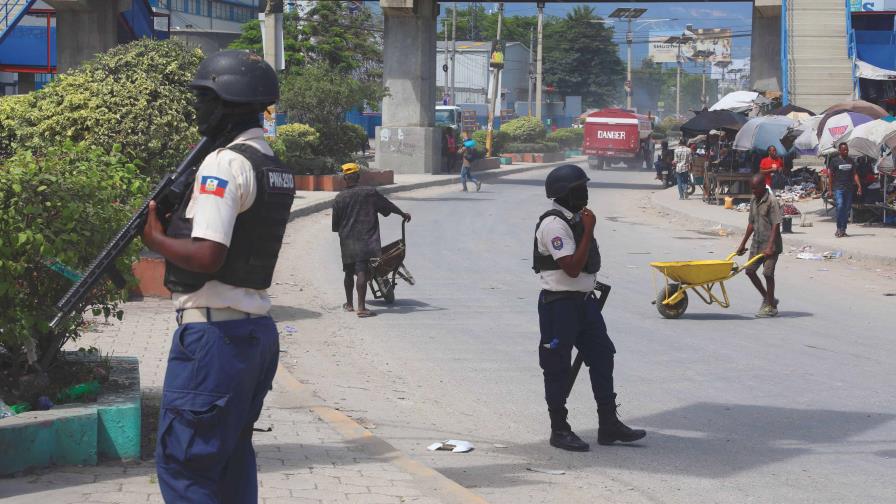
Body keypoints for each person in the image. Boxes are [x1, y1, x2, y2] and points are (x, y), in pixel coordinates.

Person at [141, 50, 293, 503]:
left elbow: (207, 255)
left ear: (229, 102)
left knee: (186, 464)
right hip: (254, 334)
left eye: (204, 98)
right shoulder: (271, 162)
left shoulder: (223, 165)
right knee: (229, 460)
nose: (197, 109)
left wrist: (156, 238)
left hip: (214, 339)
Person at [533, 164, 646, 452]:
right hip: (559, 306)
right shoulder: (554, 224)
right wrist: (589, 228)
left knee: (602, 355)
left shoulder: (575, 219)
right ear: (565, 193)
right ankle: (559, 429)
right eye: (579, 188)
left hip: (584, 304)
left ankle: (608, 423)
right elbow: (570, 267)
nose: (585, 192)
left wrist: (586, 227)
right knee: (556, 366)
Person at [332, 163, 411, 318]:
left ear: (344, 179)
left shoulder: (339, 198)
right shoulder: (369, 193)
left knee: (348, 271)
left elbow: (335, 226)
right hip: (366, 238)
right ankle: (361, 308)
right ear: (358, 177)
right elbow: (387, 206)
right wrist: (402, 214)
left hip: (347, 239)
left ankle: (349, 304)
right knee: (362, 270)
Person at [736, 174, 783, 318]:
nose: (753, 191)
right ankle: (769, 298)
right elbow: (751, 223)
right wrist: (742, 243)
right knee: (749, 271)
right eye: (752, 189)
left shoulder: (772, 201)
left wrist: (770, 247)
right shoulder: (753, 199)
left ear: (763, 186)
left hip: (771, 244)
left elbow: (776, 224)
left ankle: (770, 307)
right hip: (757, 243)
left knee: (768, 274)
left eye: (755, 188)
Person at [827, 142, 863, 237]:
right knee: (840, 207)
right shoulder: (834, 161)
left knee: (846, 209)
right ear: (839, 151)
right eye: (844, 150)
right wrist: (830, 190)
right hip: (838, 188)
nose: (846, 151)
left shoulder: (851, 161)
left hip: (849, 189)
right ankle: (839, 228)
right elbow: (830, 176)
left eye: (847, 150)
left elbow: (855, 174)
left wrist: (859, 186)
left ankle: (843, 229)